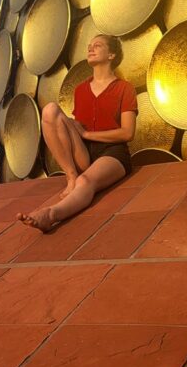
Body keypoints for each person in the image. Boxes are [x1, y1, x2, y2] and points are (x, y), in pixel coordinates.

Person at [17, 34, 138, 232]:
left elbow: (127, 133)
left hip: (113, 153)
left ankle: (51, 214)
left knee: (86, 181)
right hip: (84, 152)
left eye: (97, 46)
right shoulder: (81, 90)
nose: (90, 48)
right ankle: (70, 176)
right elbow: (77, 126)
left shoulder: (124, 88)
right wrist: (72, 127)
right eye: (89, 46)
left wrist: (88, 135)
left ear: (111, 55)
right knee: (49, 111)